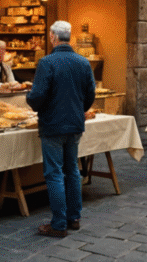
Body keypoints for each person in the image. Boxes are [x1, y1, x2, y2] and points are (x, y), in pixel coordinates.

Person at [26, 21, 96, 237]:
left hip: (53, 125)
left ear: (52, 37)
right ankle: (74, 218)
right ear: (69, 37)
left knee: (54, 174)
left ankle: (58, 224)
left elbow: (37, 96)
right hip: (74, 124)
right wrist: (78, 110)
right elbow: (90, 94)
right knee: (72, 171)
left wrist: (31, 100)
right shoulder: (83, 62)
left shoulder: (47, 62)